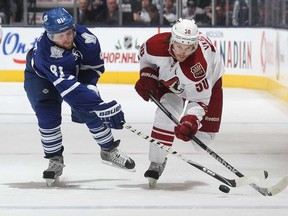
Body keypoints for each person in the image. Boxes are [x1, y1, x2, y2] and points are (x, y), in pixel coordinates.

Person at [23, 7, 136, 185]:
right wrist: (99, 105)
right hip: (40, 78)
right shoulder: (46, 52)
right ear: (50, 36)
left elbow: (93, 68)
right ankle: (55, 160)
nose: (67, 38)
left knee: (88, 107)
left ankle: (108, 150)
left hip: (72, 74)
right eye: (60, 36)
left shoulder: (87, 39)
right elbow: (69, 89)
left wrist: (92, 95)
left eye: (68, 33)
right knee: (47, 114)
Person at [135, 18, 224, 187]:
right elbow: (146, 60)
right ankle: (157, 161)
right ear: (172, 41)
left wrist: (191, 120)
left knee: (202, 142)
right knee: (165, 114)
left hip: (209, 84)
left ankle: (197, 132)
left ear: (195, 46)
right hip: (172, 80)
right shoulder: (155, 45)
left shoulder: (198, 67)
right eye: (179, 46)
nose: (182, 52)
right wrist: (147, 76)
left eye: (188, 48)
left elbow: (199, 100)